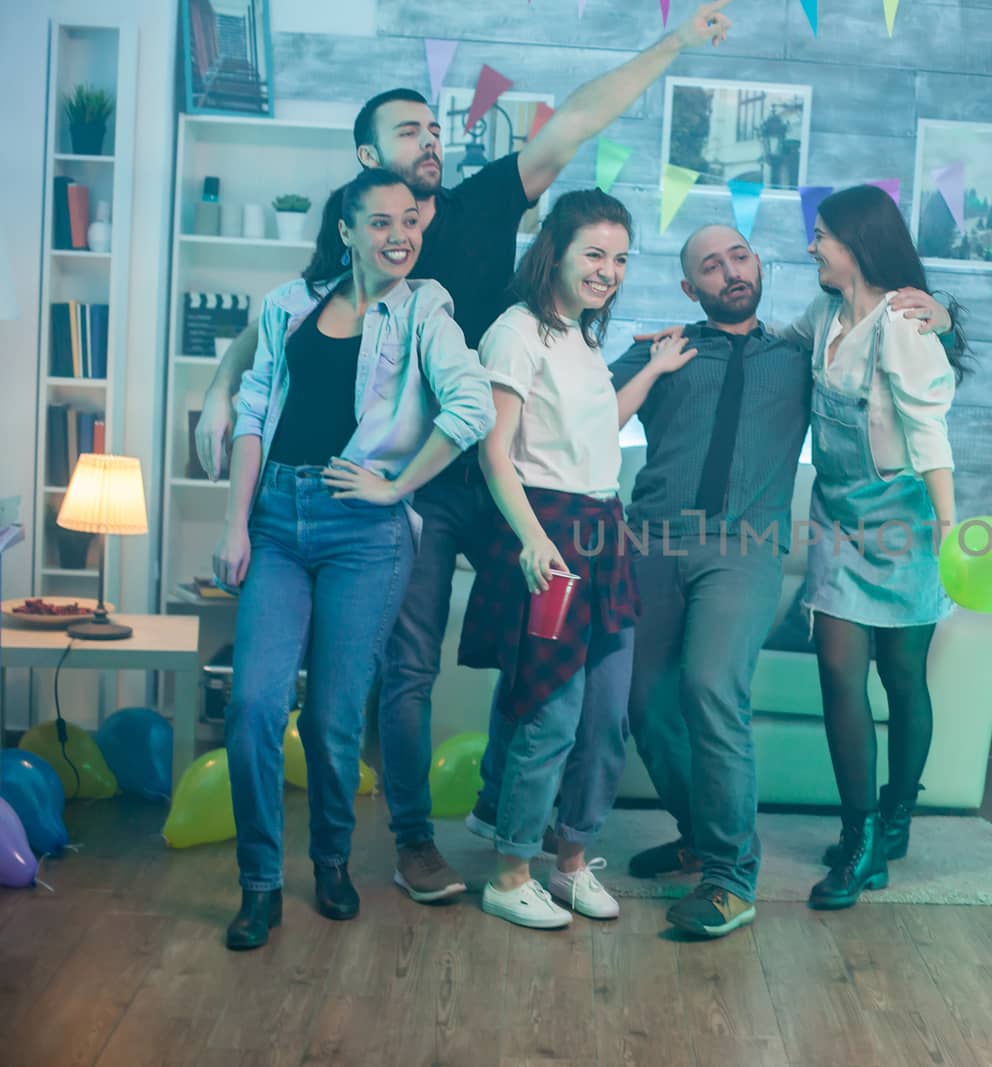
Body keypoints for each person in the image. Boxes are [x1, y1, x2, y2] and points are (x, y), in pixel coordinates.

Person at [189, 0, 737, 906]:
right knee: (407, 663)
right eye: (410, 129)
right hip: (422, 490)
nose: (432, 139)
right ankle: (413, 840)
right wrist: (217, 385)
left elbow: (577, 121)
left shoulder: (485, 198)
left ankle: (521, 834)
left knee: (544, 653)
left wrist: (675, 41)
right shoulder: (362, 233)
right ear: (368, 159)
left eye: (436, 127)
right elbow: (276, 329)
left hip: (518, 473)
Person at [609, 224, 953, 937]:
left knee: (710, 686)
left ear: (758, 267)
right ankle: (698, 832)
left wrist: (943, 315)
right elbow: (577, 414)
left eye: (738, 257)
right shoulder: (660, 352)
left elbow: (893, 352)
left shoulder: (800, 352)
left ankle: (731, 877)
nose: (729, 271)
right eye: (710, 265)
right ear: (688, 288)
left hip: (746, 546)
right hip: (652, 541)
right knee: (642, 699)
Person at [212, 170, 494, 951]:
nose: (398, 235)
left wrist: (397, 484)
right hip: (274, 518)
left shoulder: (423, 310)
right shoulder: (287, 306)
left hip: (363, 535)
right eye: (379, 222)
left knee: (335, 718)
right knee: (254, 708)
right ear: (346, 229)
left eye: (409, 220)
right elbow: (253, 411)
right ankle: (260, 883)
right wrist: (234, 522)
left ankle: (330, 860)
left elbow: (473, 404)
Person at [458, 189, 639, 931]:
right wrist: (534, 540)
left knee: (605, 710)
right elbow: (493, 448)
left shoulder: (584, 338)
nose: (608, 270)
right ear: (555, 252)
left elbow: (596, 437)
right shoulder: (516, 330)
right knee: (549, 709)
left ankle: (568, 862)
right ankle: (510, 870)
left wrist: (652, 371)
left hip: (602, 526)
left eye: (621, 258)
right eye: (594, 253)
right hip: (549, 529)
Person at [786, 185, 969, 911]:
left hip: (905, 519)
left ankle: (897, 817)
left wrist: (951, 530)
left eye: (822, 235)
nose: (811, 247)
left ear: (857, 242)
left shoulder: (902, 323)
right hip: (836, 519)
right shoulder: (823, 314)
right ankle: (860, 837)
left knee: (902, 676)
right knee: (838, 672)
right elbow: (776, 338)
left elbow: (929, 433)